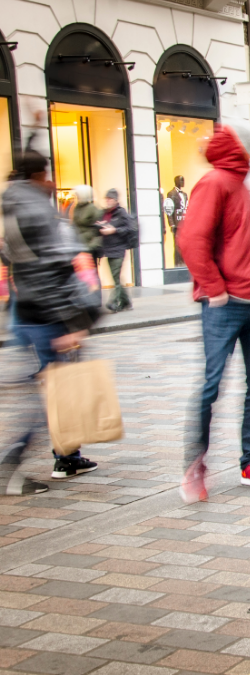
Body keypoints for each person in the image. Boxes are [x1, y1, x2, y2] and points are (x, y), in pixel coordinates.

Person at [177, 120, 250, 503]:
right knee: (212, 385)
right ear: (244, 149)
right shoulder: (216, 182)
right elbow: (192, 239)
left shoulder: (244, 185)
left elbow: (247, 241)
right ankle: (194, 465)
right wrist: (214, 288)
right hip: (226, 304)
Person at [2, 146, 102, 494]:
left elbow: (13, 257)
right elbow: (54, 270)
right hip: (47, 316)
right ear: (40, 176)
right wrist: (74, 321)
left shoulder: (11, 205)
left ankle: (68, 456)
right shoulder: (38, 211)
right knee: (54, 395)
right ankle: (13, 464)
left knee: (54, 388)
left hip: (24, 312)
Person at [99, 189, 135, 313]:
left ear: (115, 200)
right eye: (106, 199)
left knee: (115, 276)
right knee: (116, 278)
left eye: (110, 199)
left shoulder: (121, 213)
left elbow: (129, 228)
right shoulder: (105, 213)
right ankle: (126, 302)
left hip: (119, 248)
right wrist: (100, 225)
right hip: (108, 248)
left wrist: (114, 230)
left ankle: (112, 302)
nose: (107, 201)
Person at [71, 185, 103, 268]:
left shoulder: (92, 208)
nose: (77, 197)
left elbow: (99, 229)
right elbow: (74, 224)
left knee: (90, 270)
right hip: (79, 245)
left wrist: (92, 246)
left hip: (89, 246)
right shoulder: (77, 208)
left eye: (78, 195)